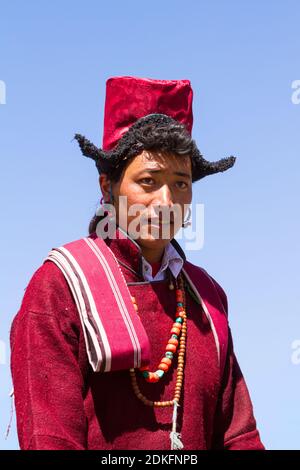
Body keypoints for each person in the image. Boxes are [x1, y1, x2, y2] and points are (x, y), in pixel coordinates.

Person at [10, 76, 264, 450]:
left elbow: (240, 436)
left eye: (181, 183)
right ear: (106, 187)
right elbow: (50, 439)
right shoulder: (62, 286)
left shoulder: (207, 298)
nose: (166, 201)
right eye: (148, 181)